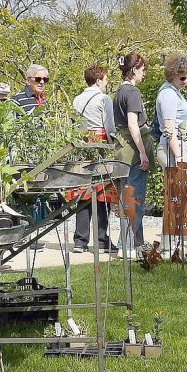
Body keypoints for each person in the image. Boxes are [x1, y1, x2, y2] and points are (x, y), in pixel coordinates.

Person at [70, 65, 117, 253]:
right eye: (105, 80)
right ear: (98, 80)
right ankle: (102, 239)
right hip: (100, 144)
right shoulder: (104, 99)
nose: (106, 84)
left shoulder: (76, 99)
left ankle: (80, 241)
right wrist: (114, 144)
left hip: (81, 145)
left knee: (82, 192)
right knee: (103, 193)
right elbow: (110, 126)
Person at [112, 53, 152, 253]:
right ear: (135, 70)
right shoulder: (132, 92)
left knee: (128, 198)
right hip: (133, 152)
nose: (144, 74)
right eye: (143, 70)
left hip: (122, 150)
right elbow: (132, 124)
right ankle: (126, 246)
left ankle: (136, 244)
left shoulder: (119, 91)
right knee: (135, 200)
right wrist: (143, 153)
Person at [155, 54, 187, 168]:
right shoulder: (168, 94)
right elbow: (169, 127)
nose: (185, 81)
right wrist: (179, 157)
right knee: (179, 185)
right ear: (173, 74)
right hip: (175, 149)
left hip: (182, 146)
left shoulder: (175, 92)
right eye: (182, 78)